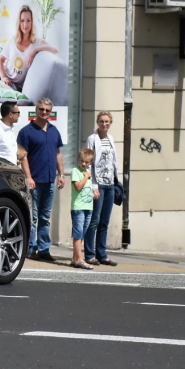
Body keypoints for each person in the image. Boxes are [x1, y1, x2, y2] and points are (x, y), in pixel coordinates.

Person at [16, 98, 65, 262]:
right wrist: (28, 177)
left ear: (51, 112)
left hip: (50, 180)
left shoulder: (53, 130)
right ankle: (31, 249)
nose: (44, 112)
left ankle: (44, 250)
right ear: (36, 110)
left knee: (45, 217)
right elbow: (23, 156)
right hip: (35, 181)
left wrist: (62, 174)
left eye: (47, 110)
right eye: (41, 109)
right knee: (34, 217)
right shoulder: (26, 131)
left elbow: (58, 153)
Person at [85, 111, 120, 266]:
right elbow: (89, 163)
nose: (104, 124)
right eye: (101, 121)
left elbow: (113, 161)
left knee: (104, 222)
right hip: (98, 184)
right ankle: (89, 254)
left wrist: (116, 180)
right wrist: (93, 186)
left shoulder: (111, 139)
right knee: (94, 220)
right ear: (97, 123)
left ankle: (102, 253)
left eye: (107, 121)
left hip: (110, 184)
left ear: (110, 123)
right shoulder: (92, 139)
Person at [0, 6, 58, 92]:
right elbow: (1, 59)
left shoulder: (36, 42)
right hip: (5, 79)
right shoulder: (13, 40)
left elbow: (55, 50)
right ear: (19, 22)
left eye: (28, 20)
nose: (25, 25)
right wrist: (3, 77)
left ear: (32, 22)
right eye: (22, 20)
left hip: (18, 86)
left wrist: (35, 49)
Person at [70, 148, 99, 270]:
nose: (84, 164)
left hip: (88, 207)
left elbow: (88, 188)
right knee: (78, 234)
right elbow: (77, 187)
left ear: (90, 163)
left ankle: (75, 258)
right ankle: (80, 259)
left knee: (82, 234)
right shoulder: (76, 171)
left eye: (87, 162)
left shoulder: (88, 173)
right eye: (82, 161)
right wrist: (86, 177)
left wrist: (94, 191)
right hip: (78, 208)